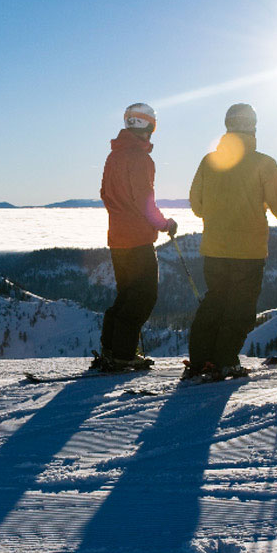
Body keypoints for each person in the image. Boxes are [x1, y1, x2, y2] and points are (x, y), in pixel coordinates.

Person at [185, 102, 277, 380]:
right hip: (249, 252)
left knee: (214, 302)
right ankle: (224, 361)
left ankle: (200, 360)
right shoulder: (264, 163)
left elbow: (197, 205)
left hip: (214, 249)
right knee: (240, 309)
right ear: (253, 126)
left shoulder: (209, 161)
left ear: (227, 125)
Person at [95, 102, 178, 372]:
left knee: (126, 296)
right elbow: (144, 200)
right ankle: (122, 354)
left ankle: (111, 349)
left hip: (117, 237)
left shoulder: (114, 156)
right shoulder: (141, 159)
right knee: (143, 297)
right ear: (151, 126)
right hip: (138, 238)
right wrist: (164, 223)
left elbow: (106, 194)